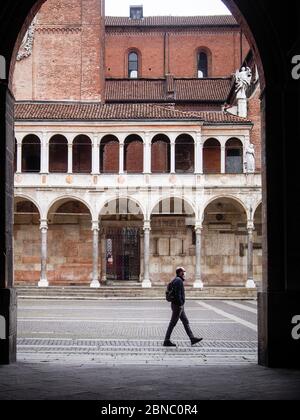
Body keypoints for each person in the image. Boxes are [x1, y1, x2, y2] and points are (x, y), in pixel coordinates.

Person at [164, 267, 203, 347]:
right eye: (183, 272)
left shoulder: (177, 280)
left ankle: (192, 338)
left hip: (177, 305)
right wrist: (181, 304)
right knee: (172, 323)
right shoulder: (178, 281)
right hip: (178, 306)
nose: (185, 273)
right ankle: (166, 340)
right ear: (180, 272)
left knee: (185, 321)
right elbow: (178, 294)